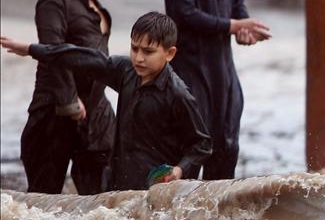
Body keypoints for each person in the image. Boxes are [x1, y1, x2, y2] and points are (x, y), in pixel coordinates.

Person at [1, 11, 212, 191]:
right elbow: (83, 58)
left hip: (154, 189)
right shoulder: (126, 71)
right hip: (119, 184)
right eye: (134, 48)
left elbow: (201, 144)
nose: (138, 58)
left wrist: (179, 169)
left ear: (170, 54)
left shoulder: (178, 94)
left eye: (148, 52)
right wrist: (33, 49)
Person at [165, 0, 270, 181]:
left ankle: (217, 208)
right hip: (189, 71)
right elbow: (184, 13)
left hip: (223, 72)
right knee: (190, 151)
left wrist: (245, 28)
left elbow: (237, 4)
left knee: (226, 149)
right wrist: (234, 26)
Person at [21, 0, 116, 194]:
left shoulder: (96, 7)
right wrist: (69, 101)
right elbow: (52, 50)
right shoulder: (54, 1)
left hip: (97, 112)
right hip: (54, 110)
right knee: (43, 196)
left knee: (101, 196)